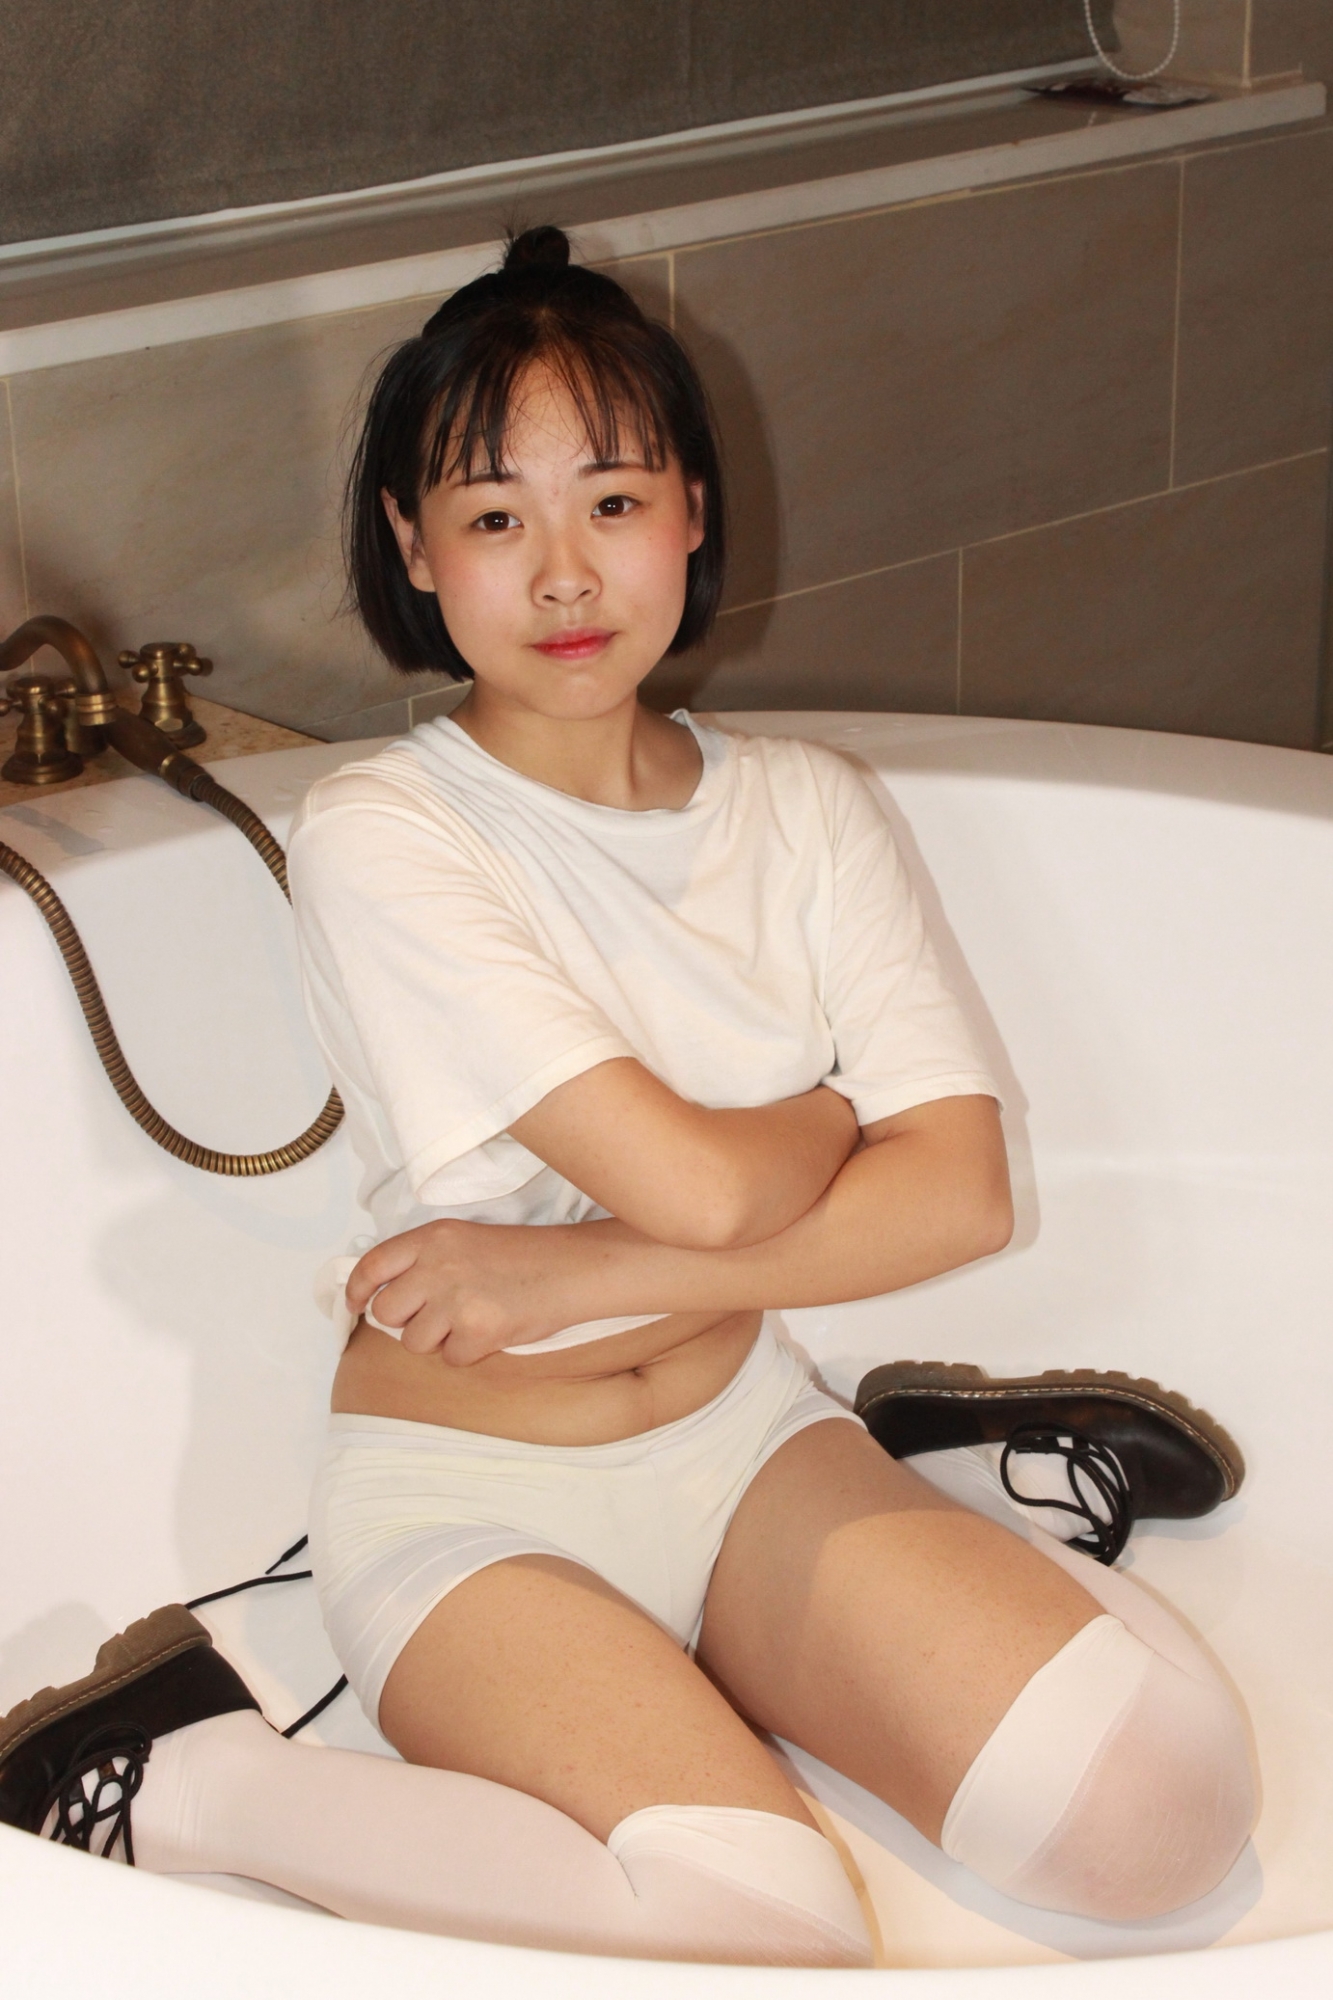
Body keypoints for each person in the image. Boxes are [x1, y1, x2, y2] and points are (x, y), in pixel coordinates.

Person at [0, 228, 1255, 1966]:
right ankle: (187, 1774)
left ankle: (932, 1474)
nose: (564, 573)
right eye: (493, 517)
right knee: (761, 1939)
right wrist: (832, 1116)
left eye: (612, 500)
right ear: (412, 548)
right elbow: (709, 1189)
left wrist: (581, 1274)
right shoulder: (385, 832)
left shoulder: (804, 807)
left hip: (752, 1438)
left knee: (1163, 1819)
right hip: (470, 1495)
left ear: (689, 514)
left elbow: (961, 1194)